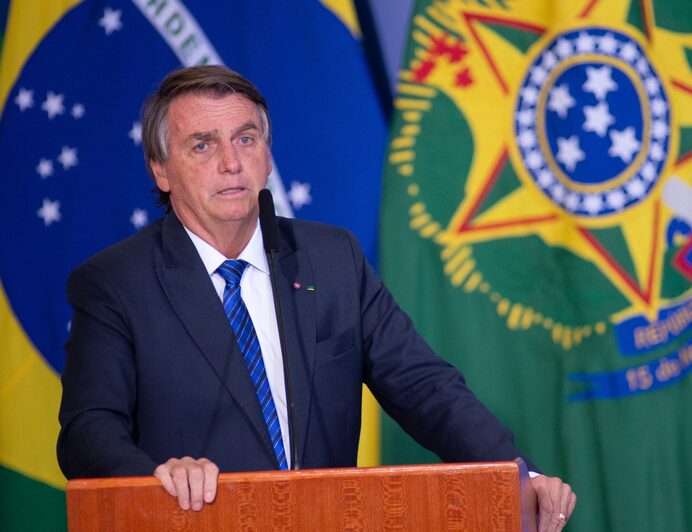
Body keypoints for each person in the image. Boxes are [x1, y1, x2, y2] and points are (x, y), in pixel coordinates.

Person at [57, 65, 576, 529]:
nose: (231, 163)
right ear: (161, 170)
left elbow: (425, 388)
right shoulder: (114, 284)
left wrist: (517, 475)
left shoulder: (332, 259)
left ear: (267, 154)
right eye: (203, 145)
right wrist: (158, 478)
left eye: (245, 139)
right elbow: (87, 433)